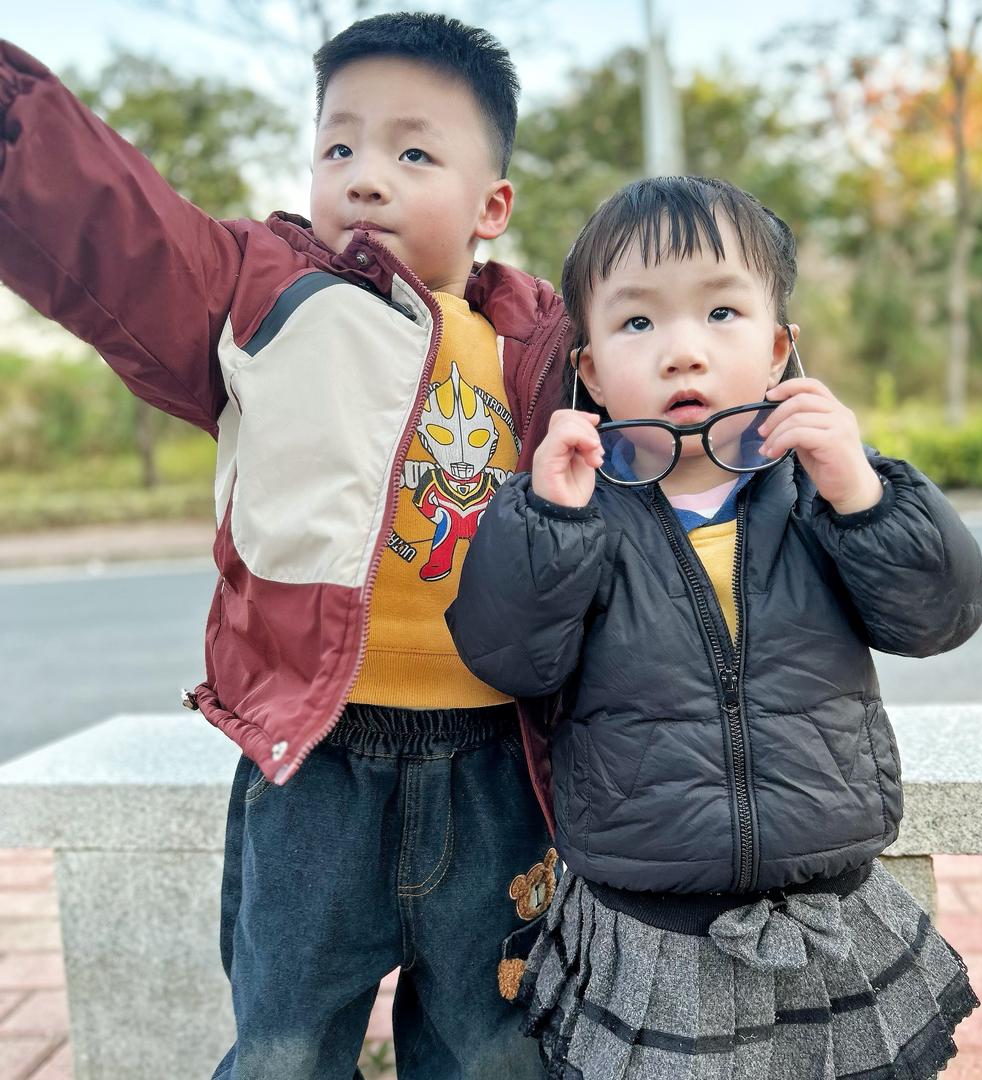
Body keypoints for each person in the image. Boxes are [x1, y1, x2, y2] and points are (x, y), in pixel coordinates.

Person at [0, 13, 568, 1079]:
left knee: (493, 1046)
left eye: (412, 152)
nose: (365, 179)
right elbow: (114, 226)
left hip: (497, 764)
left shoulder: (539, 344)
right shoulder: (262, 296)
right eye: (338, 147)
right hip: (320, 761)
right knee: (285, 1046)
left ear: (492, 205)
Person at [446, 175, 982, 1080]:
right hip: (652, 920)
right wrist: (549, 522)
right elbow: (512, 659)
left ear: (781, 349)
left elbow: (939, 617)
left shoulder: (823, 487)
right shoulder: (574, 508)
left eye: (723, 313)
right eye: (637, 324)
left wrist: (860, 491)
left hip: (830, 902)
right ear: (589, 372)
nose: (683, 353)